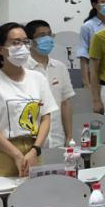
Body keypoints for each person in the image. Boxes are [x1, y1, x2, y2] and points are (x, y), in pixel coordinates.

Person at [0, 23, 54, 179]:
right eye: (16, 43)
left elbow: (45, 118)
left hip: (33, 150)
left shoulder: (38, 78)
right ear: (0, 49)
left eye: (25, 42)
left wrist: (35, 150)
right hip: (2, 151)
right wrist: (16, 154)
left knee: (34, 191)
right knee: (0, 192)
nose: (22, 47)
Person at [24, 19, 74, 149]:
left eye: (49, 34)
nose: (47, 39)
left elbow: (65, 103)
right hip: (30, 139)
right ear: (29, 42)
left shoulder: (60, 67)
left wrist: (69, 136)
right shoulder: (22, 68)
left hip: (57, 137)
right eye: (41, 35)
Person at [76, 0, 105, 92]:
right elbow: (83, 57)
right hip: (94, 76)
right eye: (103, 2)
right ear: (94, 4)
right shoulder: (88, 26)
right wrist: (86, 84)